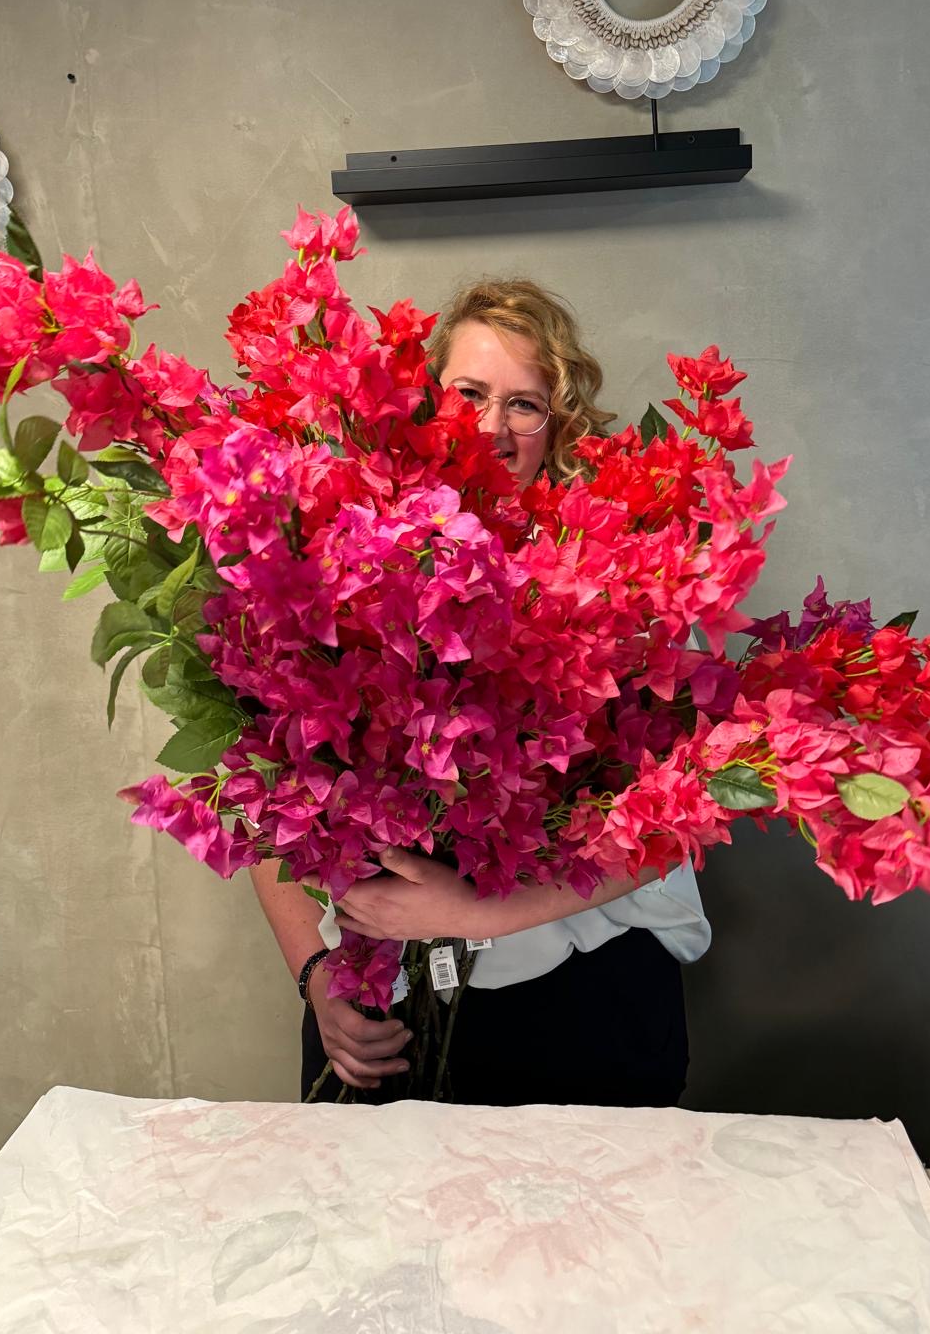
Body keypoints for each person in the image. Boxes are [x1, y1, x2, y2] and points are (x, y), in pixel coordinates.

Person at [251, 279, 711, 1106]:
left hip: (587, 1006)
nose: (492, 427)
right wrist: (317, 975)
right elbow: (266, 801)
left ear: (558, 423)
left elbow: (681, 821)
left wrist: (476, 916)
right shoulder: (333, 562)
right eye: (469, 394)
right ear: (426, 402)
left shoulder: (631, 574)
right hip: (382, 1014)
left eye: (524, 404)